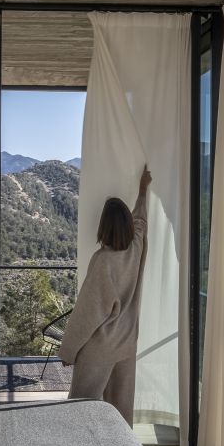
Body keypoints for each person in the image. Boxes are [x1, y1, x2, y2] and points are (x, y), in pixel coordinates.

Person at [59, 164, 152, 426]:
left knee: (81, 410)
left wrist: (68, 351)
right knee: (121, 415)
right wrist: (142, 191)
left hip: (100, 348)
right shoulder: (136, 247)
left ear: (104, 227)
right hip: (126, 344)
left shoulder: (103, 261)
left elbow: (87, 313)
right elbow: (141, 221)